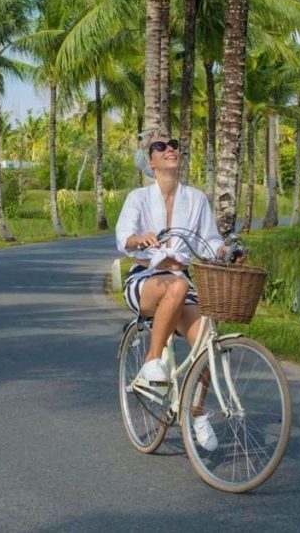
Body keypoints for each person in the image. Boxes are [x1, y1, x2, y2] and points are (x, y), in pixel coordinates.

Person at [115, 132, 229, 450]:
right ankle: (152, 361)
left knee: (208, 341)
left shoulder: (195, 199)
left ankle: (196, 412)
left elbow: (210, 241)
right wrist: (141, 239)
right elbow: (123, 236)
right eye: (160, 147)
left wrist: (223, 252)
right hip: (145, 279)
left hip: (181, 283)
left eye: (174, 145)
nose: (170, 150)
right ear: (149, 161)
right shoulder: (138, 198)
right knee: (176, 285)